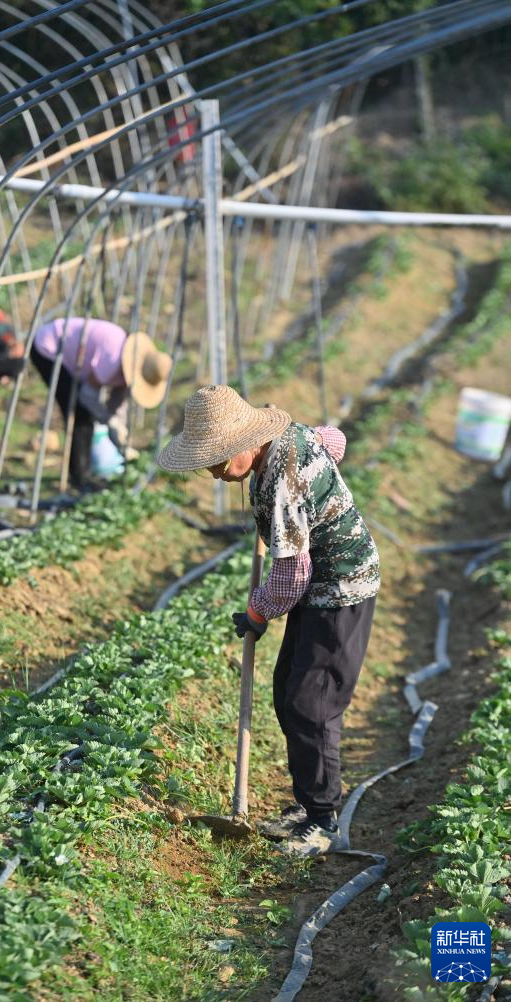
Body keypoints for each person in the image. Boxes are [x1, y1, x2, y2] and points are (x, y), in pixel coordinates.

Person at [158, 384, 380, 856]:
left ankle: (322, 821)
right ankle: (308, 804)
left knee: (310, 703)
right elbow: (333, 440)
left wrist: (258, 611)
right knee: (288, 690)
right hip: (317, 585)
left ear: (247, 441)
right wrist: (316, 466)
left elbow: (292, 572)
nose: (215, 472)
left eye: (219, 459)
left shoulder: (282, 481)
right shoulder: (288, 440)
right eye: (208, 462)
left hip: (341, 586)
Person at [30, 318, 172, 489]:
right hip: (49, 347)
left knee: (84, 415)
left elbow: (118, 401)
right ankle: (80, 477)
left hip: (68, 352)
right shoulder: (112, 361)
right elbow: (87, 396)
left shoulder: (127, 366)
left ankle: (83, 473)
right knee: (80, 415)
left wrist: (119, 429)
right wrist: (108, 421)